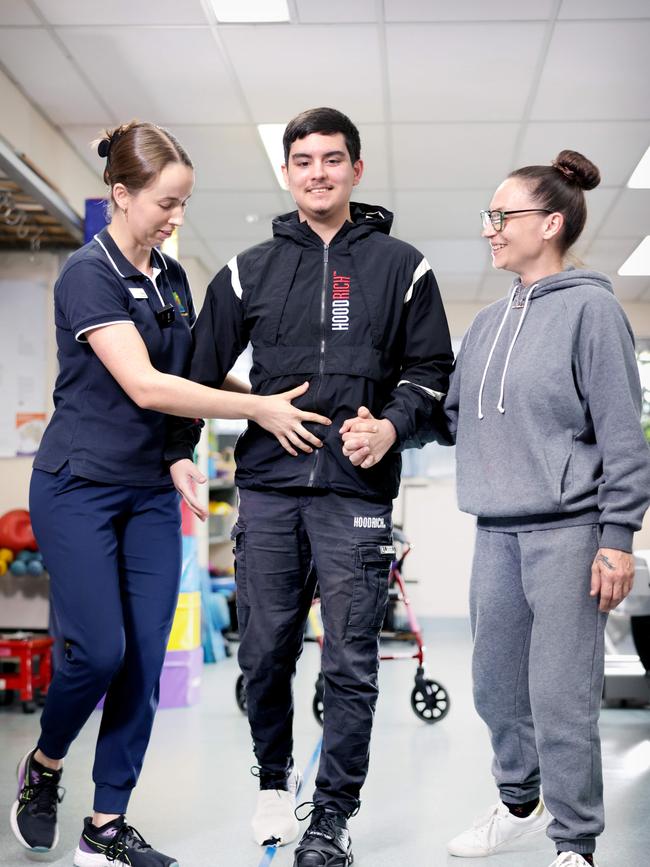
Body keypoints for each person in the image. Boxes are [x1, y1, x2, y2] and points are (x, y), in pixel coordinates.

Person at [9, 120, 331, 867]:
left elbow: (196, 375)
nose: (175, 219)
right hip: (77, 486)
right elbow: (148, 384)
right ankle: (46, 765)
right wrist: (258, 410)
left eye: (184, 204)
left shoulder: (173, 278)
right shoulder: (87, 274)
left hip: (150, 491)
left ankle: (106, 825)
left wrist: (205, 437)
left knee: (144, 662)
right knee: (96, 652)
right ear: (120, 195)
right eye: (165, 204)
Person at [169, 107, 453, 866]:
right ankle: (271, 775)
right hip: (267, 487)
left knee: (351, 661)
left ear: (356, 170)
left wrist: (391, 427)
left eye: (332, 159)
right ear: (287, 172)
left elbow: (432, 375)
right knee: (264, 650)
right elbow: (195, 372)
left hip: (355, 494)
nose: (317, 172)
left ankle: (330, 817)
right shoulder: (248, 269)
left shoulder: (403, 266)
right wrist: (192, 444)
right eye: (303, 160)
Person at [426, 150, 650, 867]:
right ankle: (519, 800)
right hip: (495, 530)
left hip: (570, 532)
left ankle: (574, 843)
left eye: (503, 216)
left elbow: (621, 433)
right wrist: (389, 419)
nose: (490, 229)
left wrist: (618, 537)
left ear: (550, 223)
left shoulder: (593, 309)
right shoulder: (489, 324)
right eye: (489, 217)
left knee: (561, 696)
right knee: (494, 684)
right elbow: (455, 417)